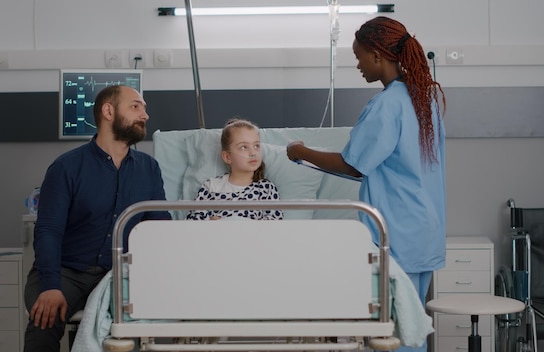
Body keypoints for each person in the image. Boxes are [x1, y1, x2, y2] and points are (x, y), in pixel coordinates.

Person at [287, 16, 446, 351]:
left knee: (391, 332)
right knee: (410, 328)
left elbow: (353, 165)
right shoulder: (424, 99)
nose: (357, 64)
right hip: (424, 229)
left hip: (397, 233)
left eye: (358, 56)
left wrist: (300, 151)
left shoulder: (387, 104)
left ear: (377, 54)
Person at [23, 84, 172, 352]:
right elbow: (48, 231)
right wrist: (50, 286)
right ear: (108, 111)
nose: (145, 115)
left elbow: (159, 229)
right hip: (67, 271)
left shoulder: (149, 169)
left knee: (147, 325)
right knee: (42, 324)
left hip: (120, 273)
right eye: (135, 106)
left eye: (144, 109)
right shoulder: (66, 167)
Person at [186, 118, 283, 220]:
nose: (253, 153)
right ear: (227, 157)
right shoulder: (212, 186)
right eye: (244, 147)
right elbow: (193, 221)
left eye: (256, 146)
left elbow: (274, 224)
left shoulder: (266, 189)